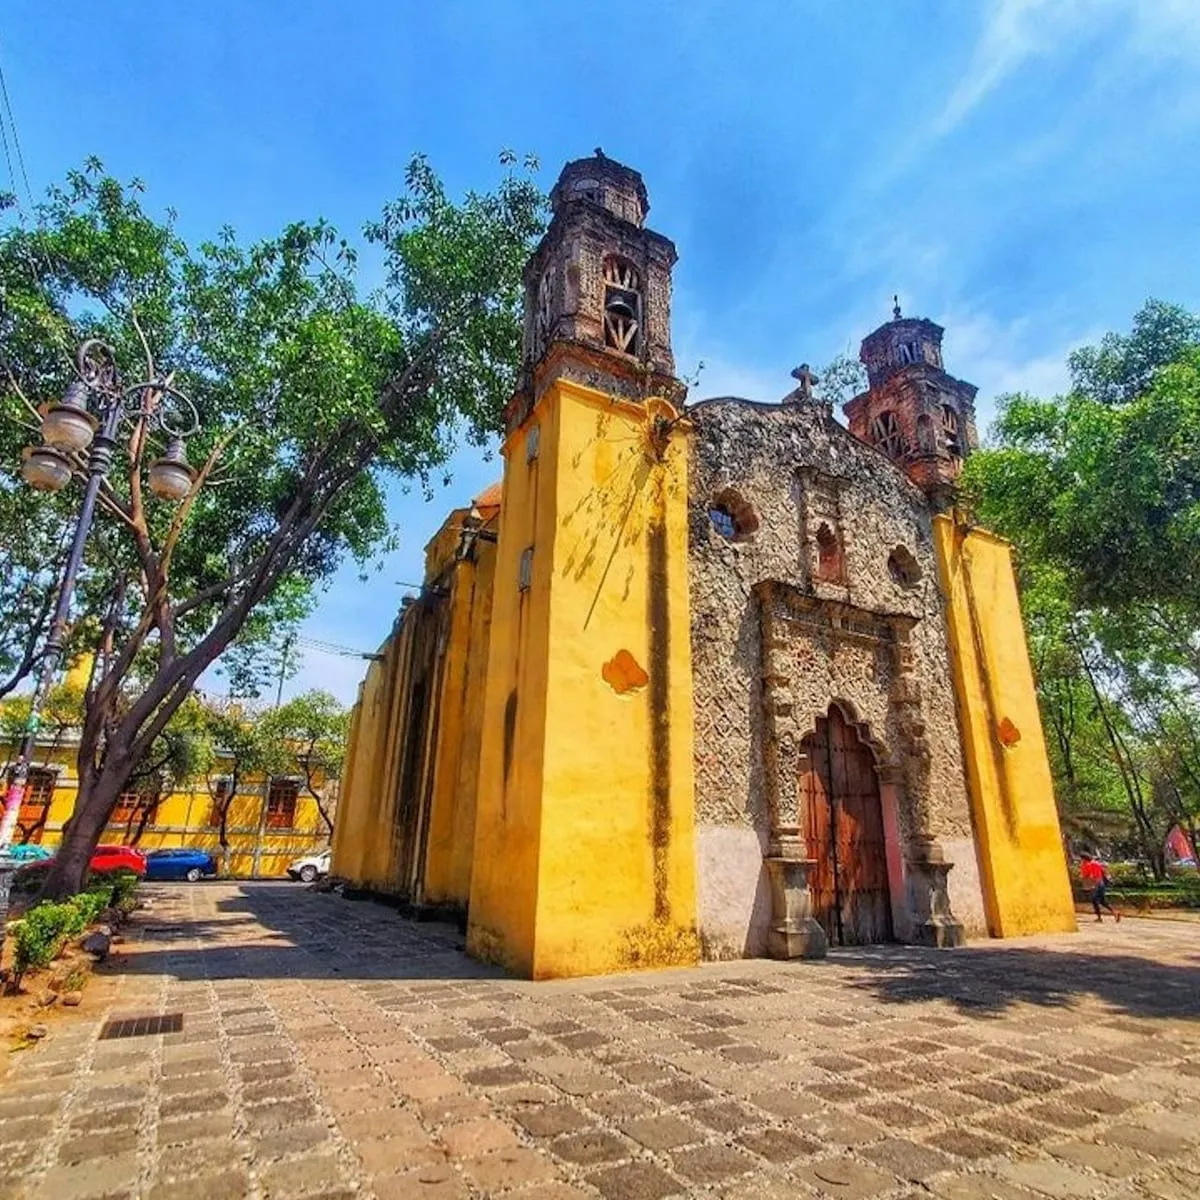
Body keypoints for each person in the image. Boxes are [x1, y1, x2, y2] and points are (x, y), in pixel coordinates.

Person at [1080, 852, 1122, 923]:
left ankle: (1099, 918)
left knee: (1094, 900)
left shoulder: (1087, 865)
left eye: (1081, 859)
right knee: (1102, 901)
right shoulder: (1097, 863)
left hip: (1094, 884)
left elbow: (1086, 875)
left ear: (1084, 859)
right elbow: (1103, 872)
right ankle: (1115, 912)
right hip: (1101, 883)